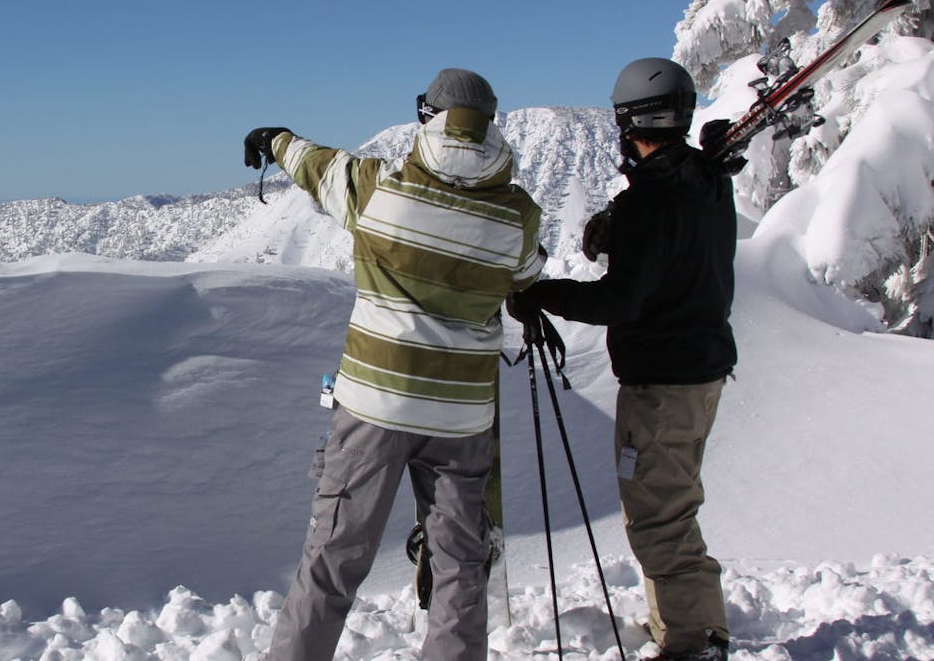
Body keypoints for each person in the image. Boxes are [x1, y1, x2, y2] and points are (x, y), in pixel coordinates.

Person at [243, 68, 544, 660]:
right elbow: (527, 277)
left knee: (333, 560)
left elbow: (314, 164)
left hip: (374, 408)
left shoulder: (377, 187)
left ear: (428, 117)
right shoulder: (518, 216)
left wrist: (273, 138)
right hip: (462, 421)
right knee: (461, 566)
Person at [508, 57, 736, 661]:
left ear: (627, 120)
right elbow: (673, 224)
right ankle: (685, 626)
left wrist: (542, 293)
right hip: (699, 373)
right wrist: (621, 219)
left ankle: (693, 642)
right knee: (672, 506)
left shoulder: (656, 198)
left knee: (659, 517)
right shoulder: (708, 181)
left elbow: (620, 299)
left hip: (662, 385)